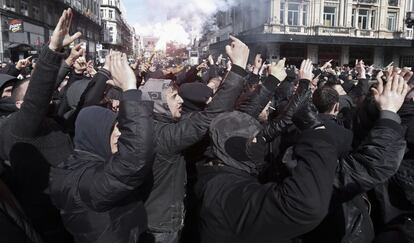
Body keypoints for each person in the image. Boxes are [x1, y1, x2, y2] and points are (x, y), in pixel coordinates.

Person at [140, 36, 249, 243]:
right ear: (158, 103)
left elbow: (205, 115)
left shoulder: (160, 126)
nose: (180, 99)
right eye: (173, 97)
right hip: (160, 227)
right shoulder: (163, 135)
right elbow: (208, 117)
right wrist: (238, 69)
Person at [49, 52, 155, 243]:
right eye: (114, 130)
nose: (120, 136)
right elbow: (134, 161)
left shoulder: (92, 163)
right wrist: (130, 90)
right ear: (95, 134)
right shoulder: (84, 180)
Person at [0, 8, 81, 242]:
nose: (46, 96)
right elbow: (38, 95)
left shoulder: (46, 119)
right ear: (19, 105)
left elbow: (44, 91)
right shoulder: (18, 127)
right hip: (52, 224)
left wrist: (66, 62)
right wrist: (52, 50)